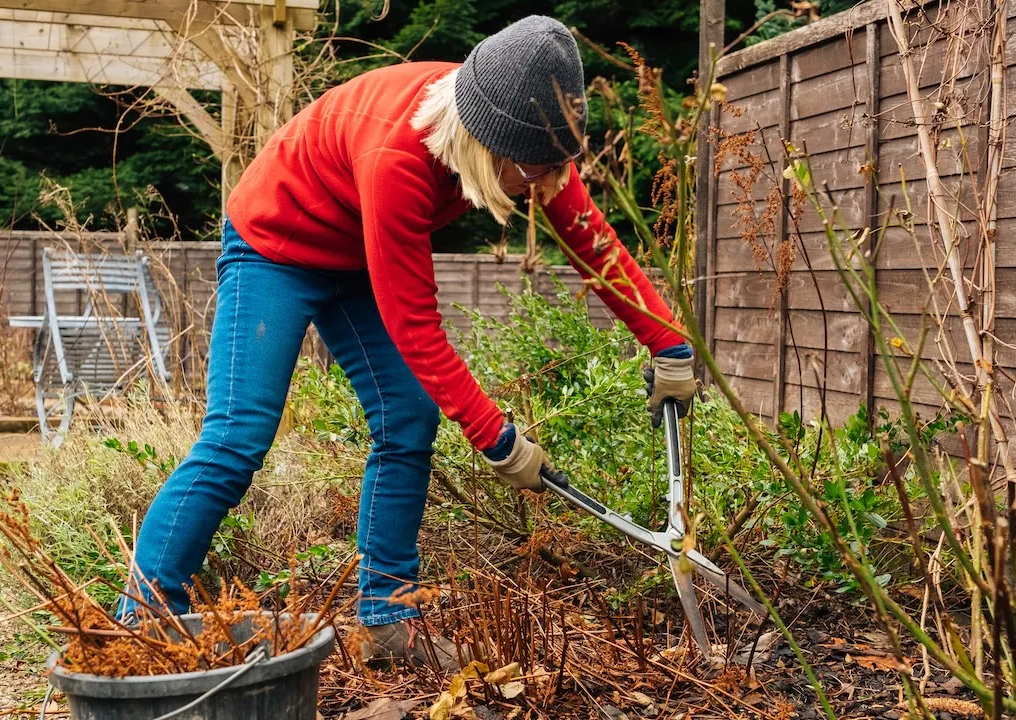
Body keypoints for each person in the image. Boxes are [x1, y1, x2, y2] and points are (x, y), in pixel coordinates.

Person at [122, 15, 697, 671]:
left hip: (355, 254)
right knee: (237, 436)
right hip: (275, 247)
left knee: (408, 418)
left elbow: (592, 240)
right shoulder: (398, 156)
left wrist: (667, 343)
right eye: (537, 169)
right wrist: (497, 439)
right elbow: (415, 326)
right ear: (492, 147)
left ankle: (390, 617)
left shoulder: (528, 140)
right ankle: (139, 624)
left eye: (559, 164)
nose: (548, 183)